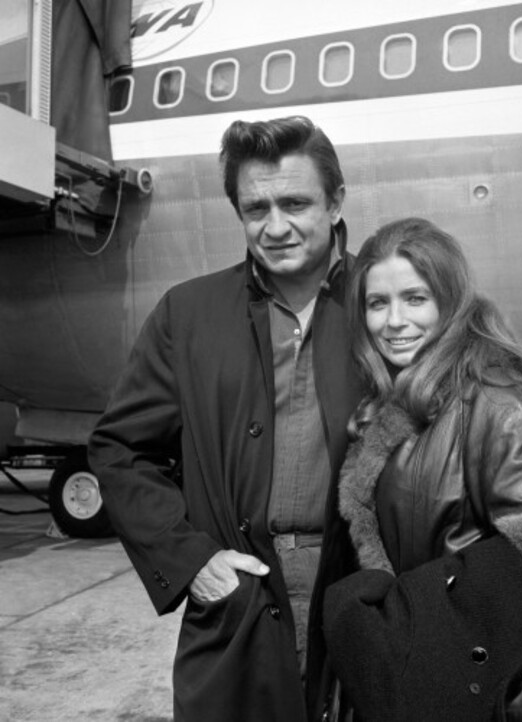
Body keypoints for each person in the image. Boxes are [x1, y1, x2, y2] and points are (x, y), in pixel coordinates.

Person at [88, 116, 362, 722]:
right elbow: (119, 449)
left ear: (337, 200)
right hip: (241, 597)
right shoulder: (188, 314)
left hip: (363, 596)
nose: (276, 226)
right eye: (255, 207)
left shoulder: (387, 306)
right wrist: (192, 562)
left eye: (295, 202)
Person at [322, 218, 522, 722]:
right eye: (378, 303)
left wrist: (424, 637)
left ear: (451, 301)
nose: (393, 321)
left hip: (489, 698)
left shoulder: (496, 406)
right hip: (423, 684)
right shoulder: (399, 403)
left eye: (415, 299)